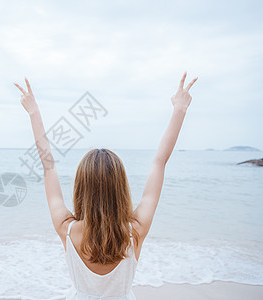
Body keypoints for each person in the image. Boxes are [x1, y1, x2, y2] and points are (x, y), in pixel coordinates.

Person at [14, 72, 198, 299]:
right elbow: (159, 163)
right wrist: (179, 110)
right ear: (120, 188)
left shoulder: (68, 230)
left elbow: (48, 165)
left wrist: (33, 112)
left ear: (81, 189)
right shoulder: (135, 231)